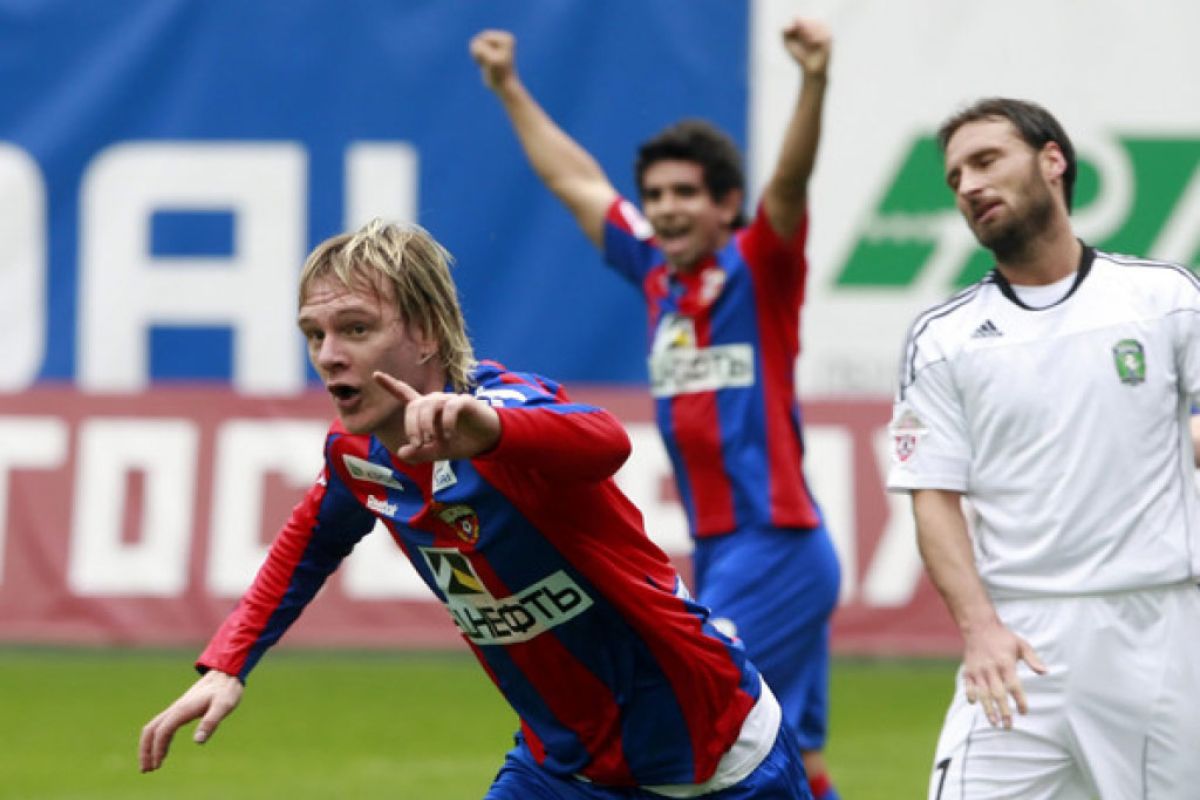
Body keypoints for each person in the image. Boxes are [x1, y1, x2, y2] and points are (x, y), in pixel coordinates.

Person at [138, 219, 813, 799]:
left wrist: (489, 432)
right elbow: (306, 546)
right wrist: (229, 664)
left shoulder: (503, 413)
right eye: (314, 334)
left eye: (355, 328)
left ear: (428, 332)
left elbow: (605, 440)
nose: (329, 356)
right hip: (566, 768)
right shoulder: (357, 454)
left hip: (716, 754)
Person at [470, 20, 841, 800]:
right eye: (657, 195)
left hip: (776, 547)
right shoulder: (655, 274)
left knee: (694, 729)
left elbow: (790, 186)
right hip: (724, 551)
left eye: (686, 194)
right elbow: (576, 181)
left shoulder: (759, 269)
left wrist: (812, 81)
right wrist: (508, 88)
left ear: (727, 205)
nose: (666, 209)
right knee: (795, 758)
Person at [888, 97, 1200, 799]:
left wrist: (1158, 442)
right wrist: (979, 629)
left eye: (986, 160)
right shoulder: (943, 338)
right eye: (956, 177)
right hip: (1017, 641)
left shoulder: (1164, 298)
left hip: (1156, 633)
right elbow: (933, 497)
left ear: (1052, 160)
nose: (969, 185)